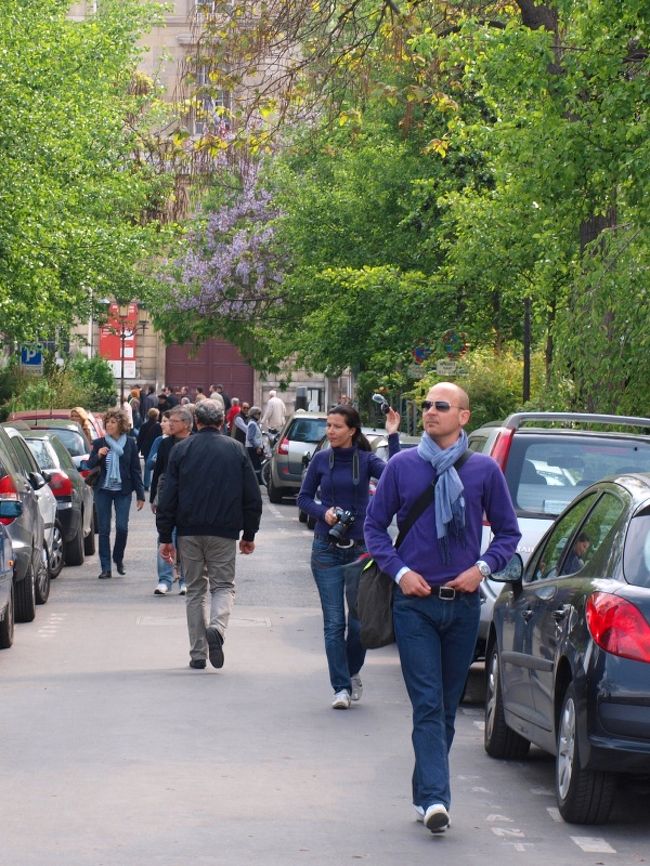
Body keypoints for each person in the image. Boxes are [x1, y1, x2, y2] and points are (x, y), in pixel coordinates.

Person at [364, 382, 520, 834]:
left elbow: (507, 535)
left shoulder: (485, 471)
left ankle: (424, 790)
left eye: (441, 406)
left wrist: (482, 568)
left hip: (464, 605)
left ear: (463, 416)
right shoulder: (402, 466)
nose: (430, 412)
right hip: (414, 605)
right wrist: (399, 573)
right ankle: (436, 799)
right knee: (429, 704)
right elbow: (375, 528)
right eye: (427, 405)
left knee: (447, 706)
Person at [297, 403, 401, 709]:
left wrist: (392, 436)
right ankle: (340, 687)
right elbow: (303, 498)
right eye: (328, 426)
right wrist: (323, 513)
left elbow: (396, 477)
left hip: (360, 551)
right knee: (334, 624)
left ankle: (352, 670)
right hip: (325, 549)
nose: (330, 431)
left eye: (336, 426)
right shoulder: (320, 460)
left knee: (358, 624)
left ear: (352, 430)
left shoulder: (366, 460)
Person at [156, 400, 263, 669]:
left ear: (197, 422)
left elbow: (168, 496)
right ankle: (216, 627)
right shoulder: (236, 450)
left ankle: (197, 654)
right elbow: (253, 496)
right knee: (223, 586)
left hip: (189, 531)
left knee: (195, 591)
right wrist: (249, 533)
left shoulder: (181, 450)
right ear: (221, 422)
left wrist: (165, 536)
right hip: (224, 531)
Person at [87, 408, 145, 579]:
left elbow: (135, 469)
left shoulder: (130, 443)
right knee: (103, 529)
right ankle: (106, 567)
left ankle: (118, 558)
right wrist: (98, 455)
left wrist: (140, 495)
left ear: (121, 424)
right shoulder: (99, 443)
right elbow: (89, 465)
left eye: (113, 422)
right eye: (108, 422)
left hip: (123, 490)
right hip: (103, 490)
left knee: (122, 527)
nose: (109, 425)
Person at [137, 408, 162, 491]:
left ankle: (146, 484)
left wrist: (137, 449)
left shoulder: (144, 425)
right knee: (157, 466)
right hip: (156, 448)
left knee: (147, 466)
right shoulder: (159, 426)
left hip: (146, 448)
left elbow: (140, 438)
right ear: (157, 416)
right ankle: (154, 482)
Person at [245, 406, 264, 483]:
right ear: (254, 414)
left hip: (252, 448)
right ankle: (256, 481)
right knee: (255, 465)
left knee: (255, 465)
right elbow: (250, 437)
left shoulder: (254, 423)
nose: (259, 416)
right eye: (258, 414)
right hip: (252, 448)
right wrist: (257, 447)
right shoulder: (253, 424)